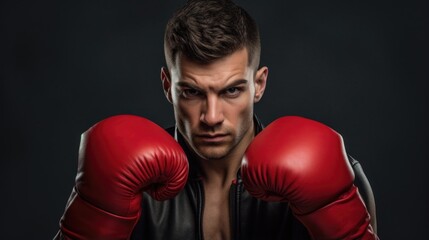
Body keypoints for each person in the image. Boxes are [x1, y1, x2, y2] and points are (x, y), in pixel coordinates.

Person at [54, 0, 379, 239]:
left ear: (259, 85)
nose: (211, 117)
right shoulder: (126, 181)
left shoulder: (328, 173)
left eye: (231, 91)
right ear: (169, 87)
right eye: (193, 93)